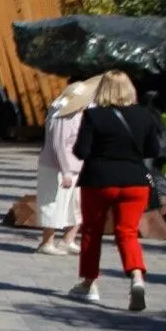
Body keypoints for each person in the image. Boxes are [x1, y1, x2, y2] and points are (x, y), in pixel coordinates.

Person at [67, 71, 166, 311]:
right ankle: (136, 277)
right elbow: (153, 150)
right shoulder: (144, 115)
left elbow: (82, 151)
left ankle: (89, 282)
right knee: (127, 233)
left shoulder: (93, 115)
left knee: (92, 232)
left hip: (99, 181)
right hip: (134, 182)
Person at [34, 78, 96, 255]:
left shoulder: (75, 112)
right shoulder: (64, 113)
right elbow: (59, 144)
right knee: (54, 203)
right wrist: (66, 171)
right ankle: (47, 242)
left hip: (74, 165)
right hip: (58, 167)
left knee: (74, 206)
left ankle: (68, 240)